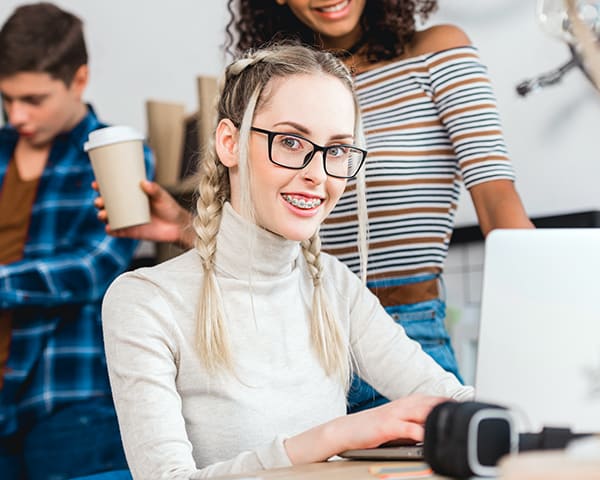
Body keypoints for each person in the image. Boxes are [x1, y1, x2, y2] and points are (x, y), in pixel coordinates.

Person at [97, 0, 534, 413]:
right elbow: (267, 244)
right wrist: (183, 226)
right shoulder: (275, 82)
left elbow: (497, 201)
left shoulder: (436, 54)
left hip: (408, 331)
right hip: (295, 342)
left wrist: (550, 322)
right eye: (291, 141)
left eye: (339, 148)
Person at [101, 43, 473, 479]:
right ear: (229, 143)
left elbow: (448, 397)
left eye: (337, 150)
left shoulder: (334, 286)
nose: (319, 174)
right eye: (292, 141)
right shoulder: (145, 302)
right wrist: (333, 437)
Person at [0, 3, 154, 479]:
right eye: (6, 99)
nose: (17, 114)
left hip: (69, 394)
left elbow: (96, 266)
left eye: (34, 99)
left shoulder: (115, 153)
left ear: (79, 80)